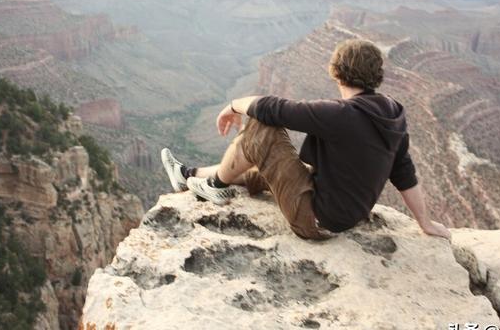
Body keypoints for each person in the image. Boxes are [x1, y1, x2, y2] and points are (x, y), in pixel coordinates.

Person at [161, 39, 451, 241]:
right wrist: (424, 222)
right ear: (376, 76)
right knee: (260, 171)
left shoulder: (341, 115)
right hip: (340, 211)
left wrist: (234, 105)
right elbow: (404, 172)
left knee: (261, 130)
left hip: (317, 220)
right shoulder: (391, 112)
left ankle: (215, 186)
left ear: (336, 73)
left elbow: (273, 109)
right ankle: (188, 175)